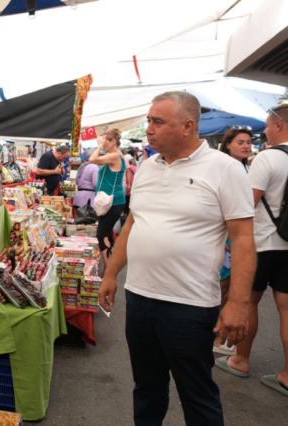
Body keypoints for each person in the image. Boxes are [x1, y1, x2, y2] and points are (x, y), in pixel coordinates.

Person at [98, 91, 256, 425]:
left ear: (187, 126)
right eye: (148, 120)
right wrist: (111, 274)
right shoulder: (146, 167)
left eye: (157, 121)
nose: (149, 129)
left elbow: (243, 240)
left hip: (190, 305)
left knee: (197, 395)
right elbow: (132, 223)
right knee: (147, 389)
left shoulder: (225, 169)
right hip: (140, 297)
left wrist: (239, 302)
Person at [216, 104, 288, 397]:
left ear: (279, 125)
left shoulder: (269, 157)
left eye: (268, 125)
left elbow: (249, 204)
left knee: (248, 302)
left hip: (262, 243)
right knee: (287, 309)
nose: (265, 131)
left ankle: (240, 359)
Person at [213, 126, 253, 355]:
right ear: (227, 144)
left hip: (239, 238)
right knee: (220, 285)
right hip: (225, 238)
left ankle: (220, 333)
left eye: (248, 142)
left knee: (227, 286)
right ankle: (215, 333)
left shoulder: (247, 169)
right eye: (240, 142)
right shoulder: (224, 169)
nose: (246, 146)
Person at [89, 128, 126, 273]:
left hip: (112, 202)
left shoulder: (116, 156)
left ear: (113, 142)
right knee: (106, 233)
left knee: (102, 234)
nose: (103, 144)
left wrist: (98, 146)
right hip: (111, 201)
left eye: (105, 142)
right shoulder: (114, 155)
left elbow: (92, 159)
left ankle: (108, 269)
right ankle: (108, 267)